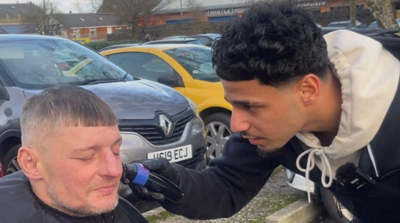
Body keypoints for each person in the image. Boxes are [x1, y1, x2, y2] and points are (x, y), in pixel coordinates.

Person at [125, 2, 400, 223]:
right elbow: (225, 188)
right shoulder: (274, 129)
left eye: (250, 106)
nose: (237, 124)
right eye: (233, 104)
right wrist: (172, 182)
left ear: (308, 90)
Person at [0, 86, 148, 223]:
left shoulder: (108, 207)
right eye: (87, 157)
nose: (115, 171)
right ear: (31, 164)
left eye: (115, 151)